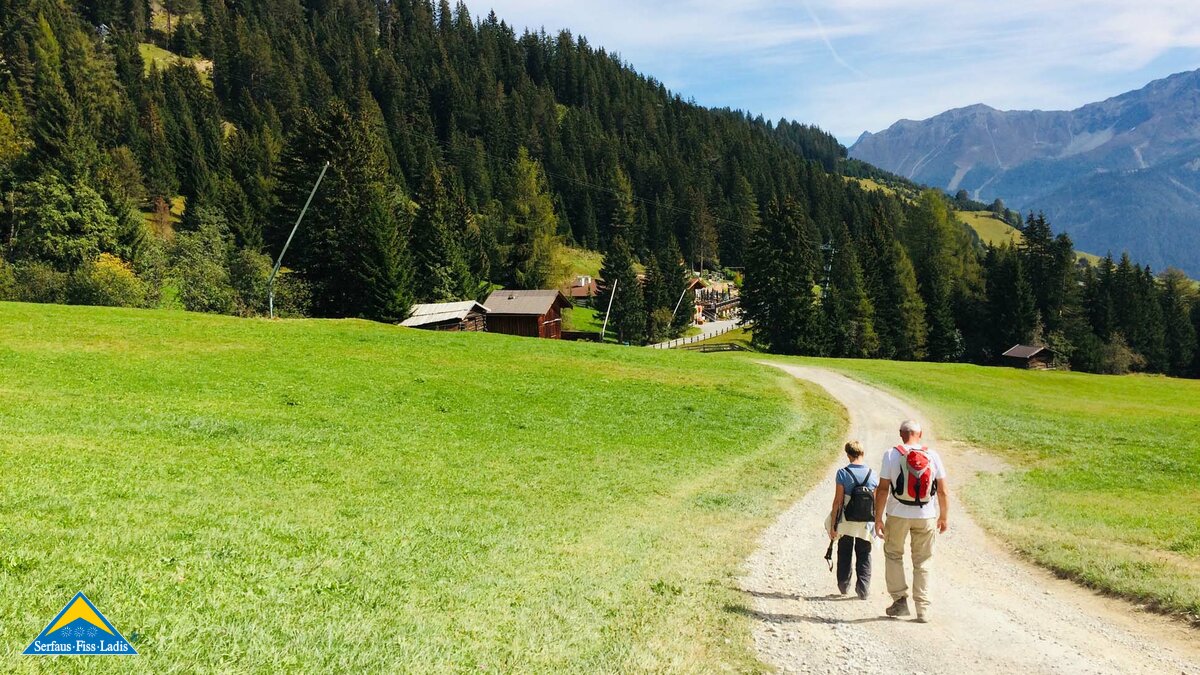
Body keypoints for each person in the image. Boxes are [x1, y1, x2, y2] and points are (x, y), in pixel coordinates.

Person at [874, 420, 948, 624]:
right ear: (920, 434)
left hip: (898, 514)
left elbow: (882, 489)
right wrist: (943, 516)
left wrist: (878, 517)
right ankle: (922, 609)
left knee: (893, 554)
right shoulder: (932, 455)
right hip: (926, 515)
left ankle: (899, 600)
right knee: (923, 561)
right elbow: (942, 490)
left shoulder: (891, 454)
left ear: (901, 434)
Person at [827, 441, 878, 599]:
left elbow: (838, 501)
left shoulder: (842, 473)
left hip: (846, 520)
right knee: (864, 553)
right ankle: (863, 589)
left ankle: (844, 586)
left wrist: (833, 524)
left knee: (844, 551)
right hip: (865, 521)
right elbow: (875, 502)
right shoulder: (873, 474)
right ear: (862, 453)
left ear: (848, 455)